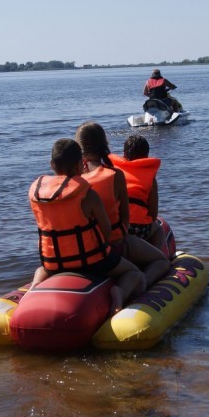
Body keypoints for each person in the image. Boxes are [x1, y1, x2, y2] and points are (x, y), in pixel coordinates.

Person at [28, 138, 145, 314]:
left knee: (41, 269)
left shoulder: (38, 194)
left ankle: (35, 286)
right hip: (92, 263)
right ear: (80, 165)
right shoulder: (88, 195)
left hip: (53, 264)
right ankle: (119, 293)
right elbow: (106, 230)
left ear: (51, 165)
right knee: (134, 273)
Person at [75, 122, 170, 287]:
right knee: (159, 231)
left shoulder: (74, 178)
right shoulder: (114, 174)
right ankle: (146, 273)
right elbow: (149, 215)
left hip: (83, 246)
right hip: (116, 242)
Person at [109, 135, 165, 251]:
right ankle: (155, 256)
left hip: (117, 227)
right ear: (146, 156)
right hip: (138, 229)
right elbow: (153, 214)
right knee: (159, 230)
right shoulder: (150, 178)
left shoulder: (113, 173)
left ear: (124, 154)